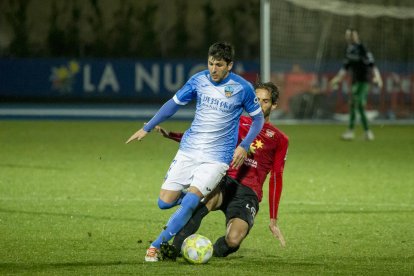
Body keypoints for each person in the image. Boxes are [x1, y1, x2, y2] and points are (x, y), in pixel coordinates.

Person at [125, 42, 264, 262]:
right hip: (189, 150)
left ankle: (155, 246)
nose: (213, 69)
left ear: (230, 65)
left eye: (219, 65)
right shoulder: (198, 80)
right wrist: (147, 127)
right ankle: (193, 197)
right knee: (164, 202)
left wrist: (244, 145)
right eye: (210, 63)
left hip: (217, 158)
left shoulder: (242, 88)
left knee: (190, 202)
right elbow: (173, 104)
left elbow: (258, 119)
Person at [156, 81, 288, 259]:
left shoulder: (279, 139)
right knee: (204, 201)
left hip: (248, 193)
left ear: (273, 105)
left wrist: (273, 220)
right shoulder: (235, 121)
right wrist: (171, 135)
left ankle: (212, 251)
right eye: (256, 100)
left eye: (265, 101)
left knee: (233, 240)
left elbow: (276, 177)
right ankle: (174, 249)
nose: (260, 104)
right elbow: (203, 139)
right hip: (225, 181)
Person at [330, 28, 383, 141]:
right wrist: (337, 78)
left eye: (352, 35)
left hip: (364, 80)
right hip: (355, 81)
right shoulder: (349, 50)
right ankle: (360, 132)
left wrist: (377, 76)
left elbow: (372, 63)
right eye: (348, 35)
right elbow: (345, 67)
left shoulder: (362, 48)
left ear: (356, 36)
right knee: (354, 105)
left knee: (357, 103)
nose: (350, 37)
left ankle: (362, 132)